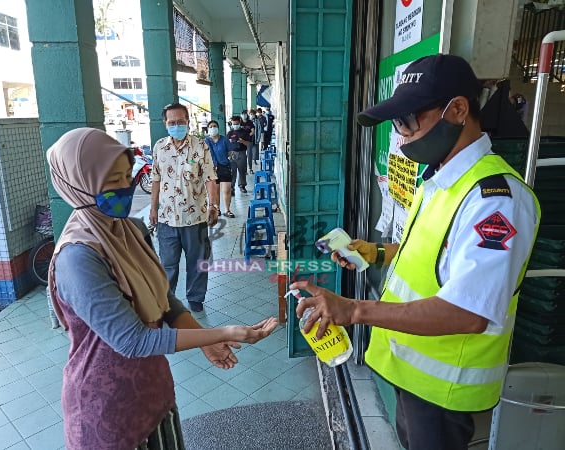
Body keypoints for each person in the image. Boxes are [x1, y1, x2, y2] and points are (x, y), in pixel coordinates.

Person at [292, 54, 541, 450]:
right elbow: (430, 256)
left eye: (407, 120)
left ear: (457, 110)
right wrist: (375, 253)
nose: (401, 134)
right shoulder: (439, 180)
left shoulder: (495, 201)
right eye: (395, 123)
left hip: (445, 392)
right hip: (413, 375)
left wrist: (354, 309)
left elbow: (470, 311)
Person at [47, 127, 278, 450]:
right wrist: (222, 333)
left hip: (154, 392)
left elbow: (162, 300)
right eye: (112, 180)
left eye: (126, 176)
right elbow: (132, 340)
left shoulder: (129, 230)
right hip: (107, 411)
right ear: (79, 183)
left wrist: (203, 341)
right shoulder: (78, 257)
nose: (125, 187)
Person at [150, 103, 219, 313]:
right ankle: (167, 302)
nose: (177, 125)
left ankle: (196, 297)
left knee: (197, 262)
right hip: (167, 219)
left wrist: (214, 205)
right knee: (167, 265)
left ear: (188, 121)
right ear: (165, 123)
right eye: (172, 123)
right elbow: (155, 179)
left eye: (181, 122)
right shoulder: (159, 147)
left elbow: (210, 178)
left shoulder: (200, 146)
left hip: (195, 218)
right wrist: (153, 208)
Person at [204, 119, 235, 217]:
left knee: (227, 189)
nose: (213, 128)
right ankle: (217, 209)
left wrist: (229, 158)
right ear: (208, 129)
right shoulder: (206, 141)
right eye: (211, 126)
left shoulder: (224, 139)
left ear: (218, 128)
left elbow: (230, 151)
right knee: (215, 190)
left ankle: (227, 210)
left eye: (214, 126)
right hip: (212, 168)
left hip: (224, 166)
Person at [227, 115, 252, 194]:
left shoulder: (244, 132)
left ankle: (242, 185)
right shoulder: (230, 133)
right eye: (233, 124)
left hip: (242, 153)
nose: (235, 125)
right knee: (232, 171)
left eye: (236, 123)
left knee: (242, 170)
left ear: (239, 123)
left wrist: (243, 141)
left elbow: (249, 144)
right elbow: (226, 144)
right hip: (232, 153)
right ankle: (231, 187)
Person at [248, 108, 262, 173]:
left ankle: (255, 160)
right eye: (250, 114)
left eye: (253, 114)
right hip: (249, 138)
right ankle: (249, 162)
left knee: (255, 150)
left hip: (255, 137)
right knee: (249, 151)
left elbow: (259, 129)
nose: (252, 115)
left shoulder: (257, 121)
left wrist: (259, 138)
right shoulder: (247, 122)